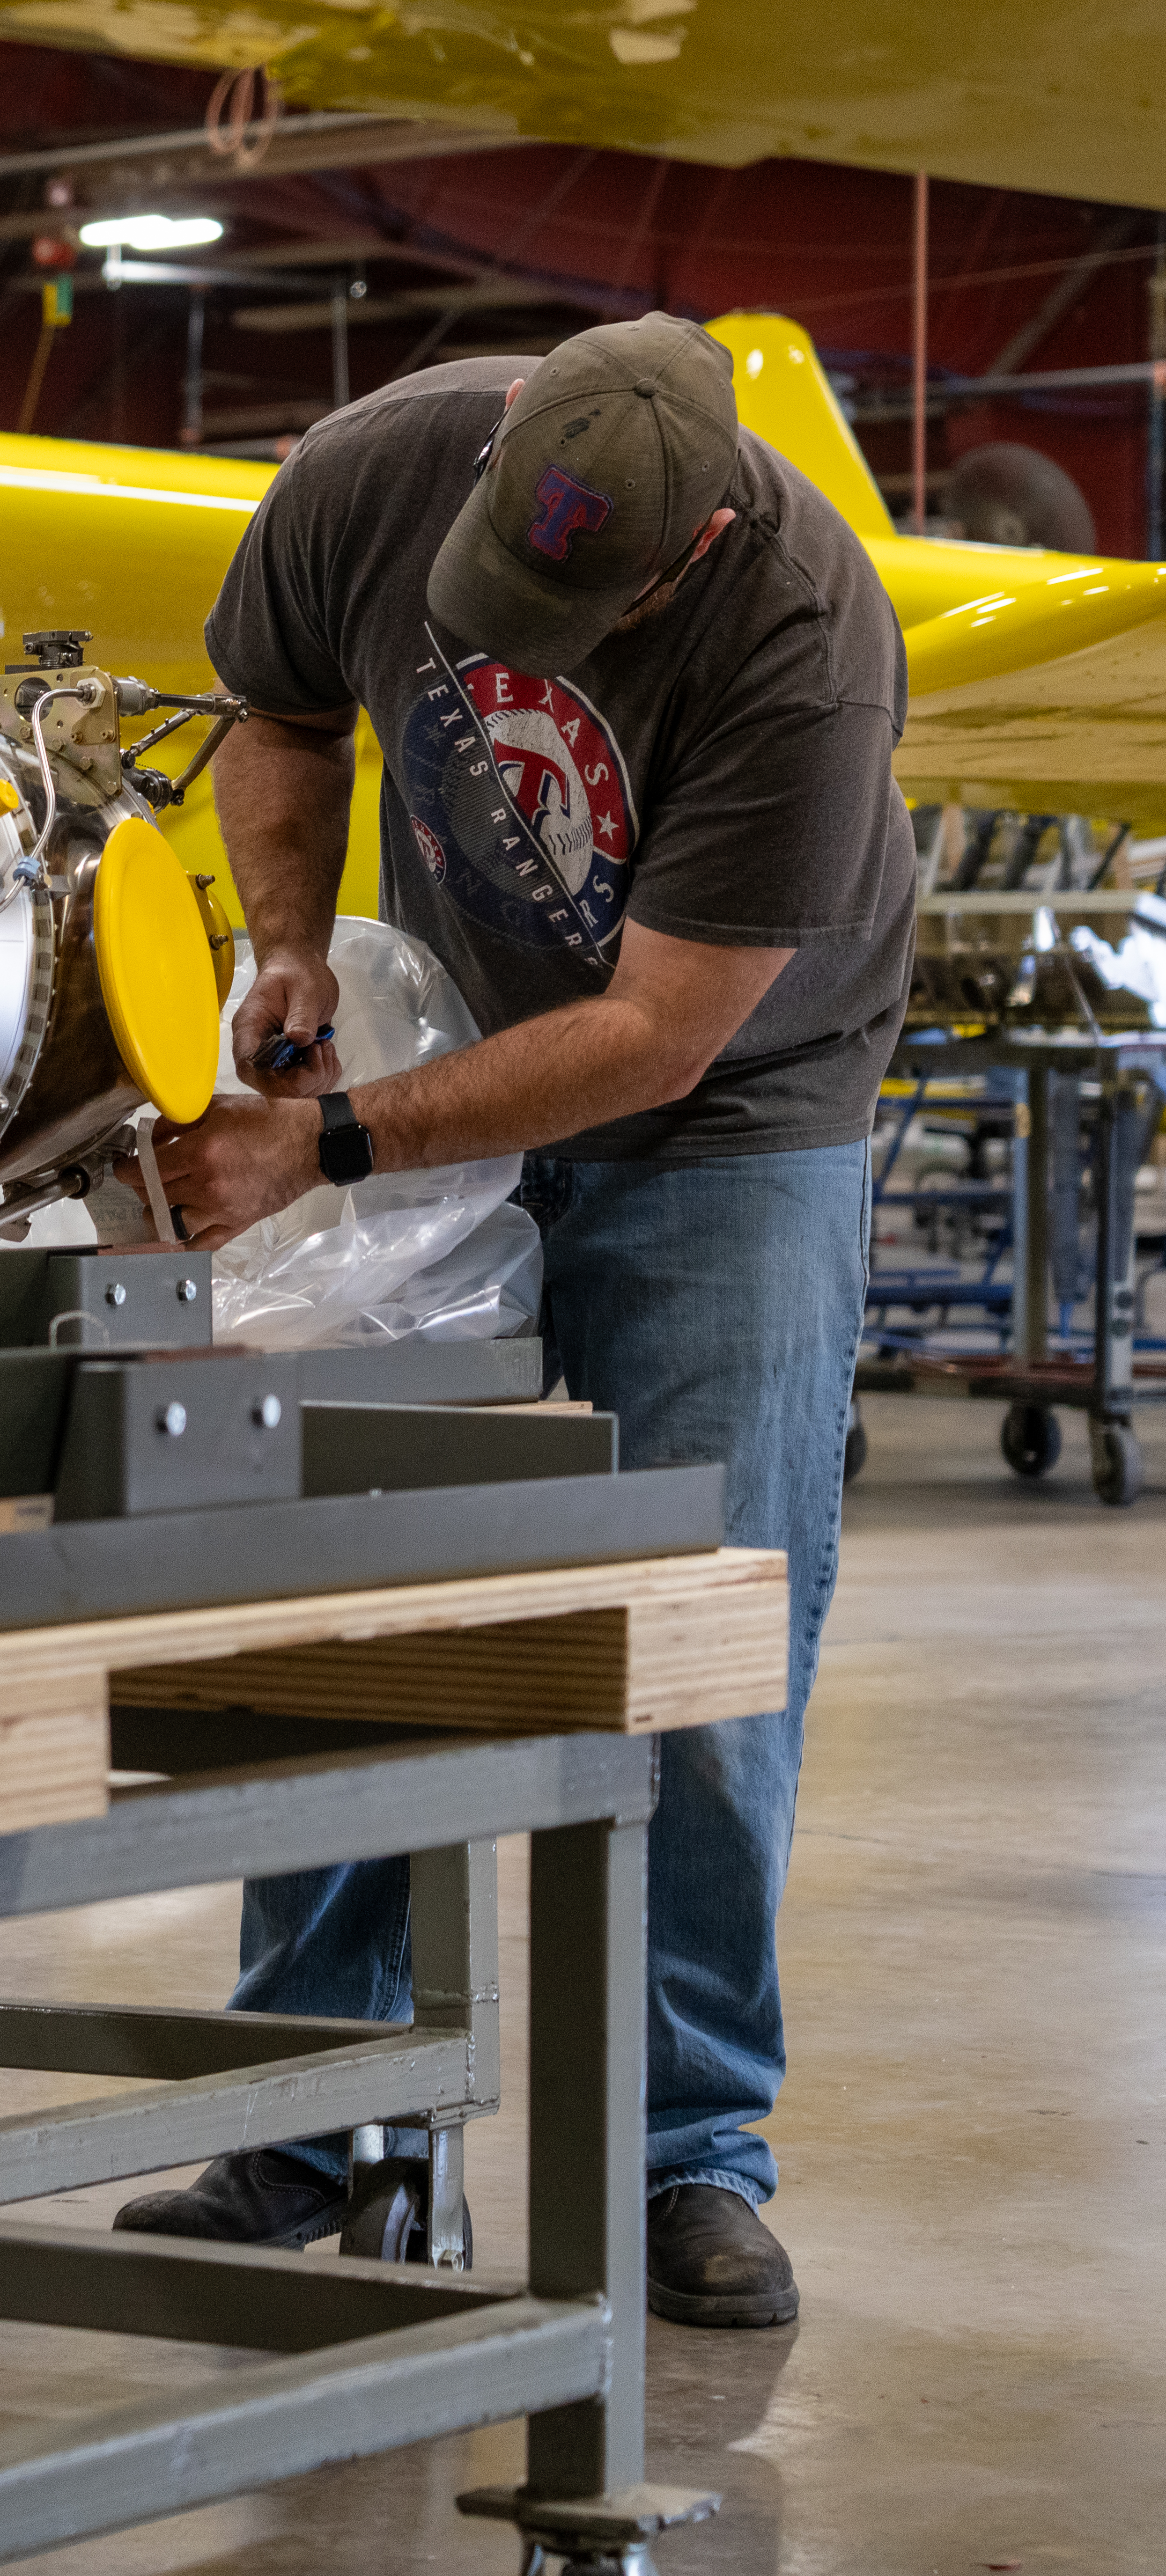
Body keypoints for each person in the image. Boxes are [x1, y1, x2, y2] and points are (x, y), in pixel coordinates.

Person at [130, 311, 915, 2327]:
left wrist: (338, 1150)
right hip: (440, 1053)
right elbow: (279, 711)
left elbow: (659, 1038)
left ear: (690, 553)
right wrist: (291, 943)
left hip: (731, 1114)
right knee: (342, 1591)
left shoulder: (804, 639)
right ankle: (318, 2111)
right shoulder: (374, 469)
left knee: (708, 1616)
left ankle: (687, 2158)